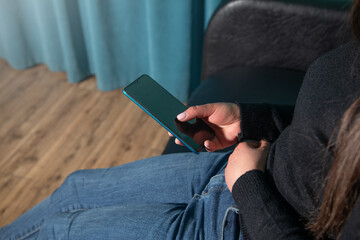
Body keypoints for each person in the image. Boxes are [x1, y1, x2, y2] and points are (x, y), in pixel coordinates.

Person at [1, 1, 360, 240]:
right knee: (74, 188)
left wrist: (249, 185)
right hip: (248, 167)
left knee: (60, 230)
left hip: (238, 224)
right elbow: (335, 130)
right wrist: (250, 119)